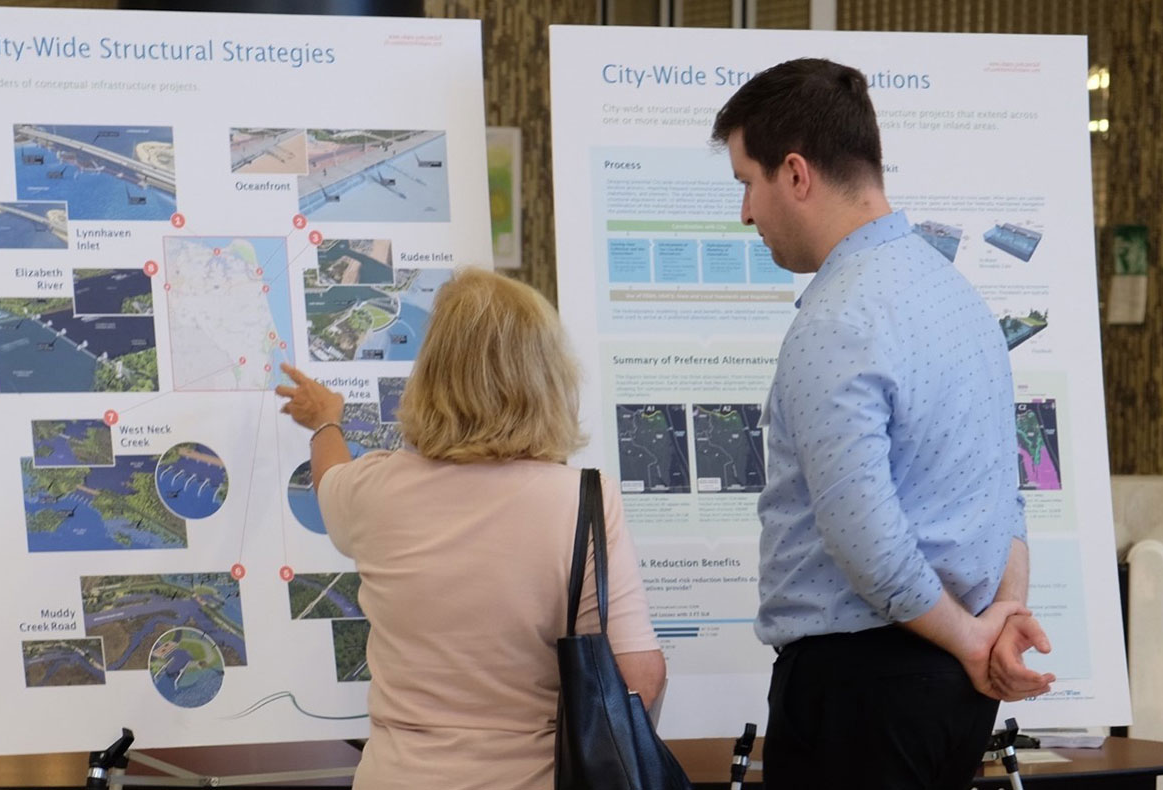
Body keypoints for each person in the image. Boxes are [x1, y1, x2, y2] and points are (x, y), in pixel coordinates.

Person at [710, 58, 1056, 789]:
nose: (744, 211)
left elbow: (863, 536)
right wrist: (998, 621)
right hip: (950, 696)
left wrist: (973, 639)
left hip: (859, 693)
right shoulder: (957, 299)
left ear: (796, 175)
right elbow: (1005, 499)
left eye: (748, 181)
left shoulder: (838, 319)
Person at [275, 267, 665, 790]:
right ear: (548, 375)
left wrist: (326, 421)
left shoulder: (374, 490)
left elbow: (328, 481)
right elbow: (642, 675)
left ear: (432, 373)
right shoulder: (584, 500)